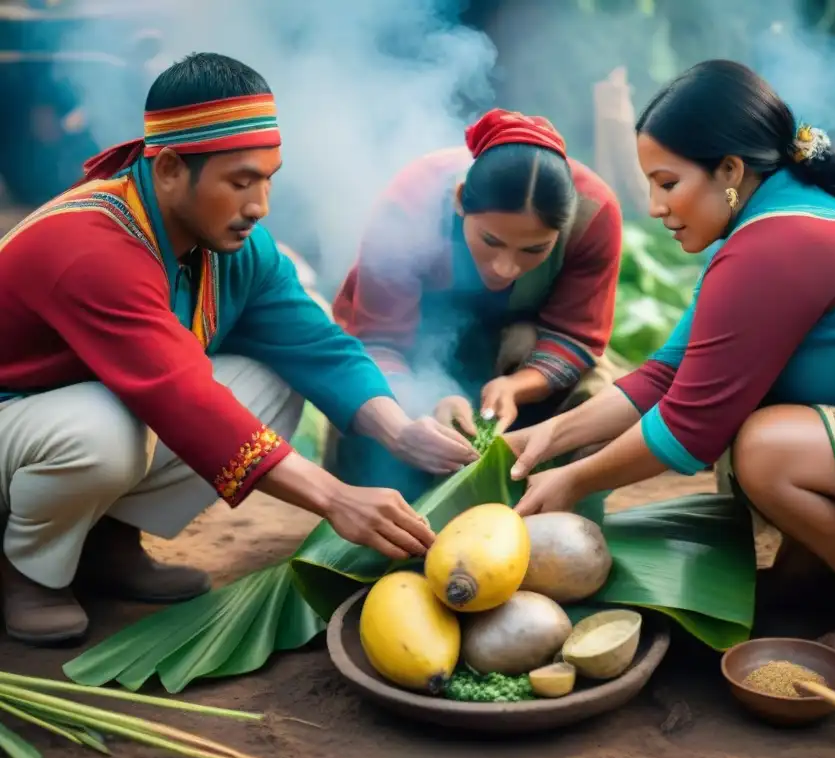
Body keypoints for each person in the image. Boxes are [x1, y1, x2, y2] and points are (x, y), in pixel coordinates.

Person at [504, 59, 835, 679]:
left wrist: (573, 481)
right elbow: (667, 374)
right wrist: (547, 438)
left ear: (729, 171)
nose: (654, 206)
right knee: (755, 420)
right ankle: (825, 574)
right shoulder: (767, 225)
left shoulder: (775, 245)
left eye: (667, 183)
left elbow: (690, 427)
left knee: (764, 447)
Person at [0, 52, 480, 647]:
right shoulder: (91, 247)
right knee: (102, 433)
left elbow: (315, 344)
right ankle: (25, 571)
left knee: (272, 380)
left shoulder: (229, 243)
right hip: (14, 423)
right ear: (172, 168)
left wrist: (397, 429)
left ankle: (105, 543)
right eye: (241, 181)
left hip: (54, 427)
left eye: (268, 178)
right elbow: (182, 398)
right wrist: (335, 498)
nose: (260, 206)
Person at [331, 108, 624, 501]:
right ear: (458, 201)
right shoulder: (409, 208)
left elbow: (576, 337)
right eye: (491, 241)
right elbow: (378, 341)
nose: (506, 267)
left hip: (519, 350)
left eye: (535, 249)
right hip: (415, 354)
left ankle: (555, 493)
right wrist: (425, 399)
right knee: (374, 452)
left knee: (598, 399)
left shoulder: (594, 214)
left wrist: (517, 387)